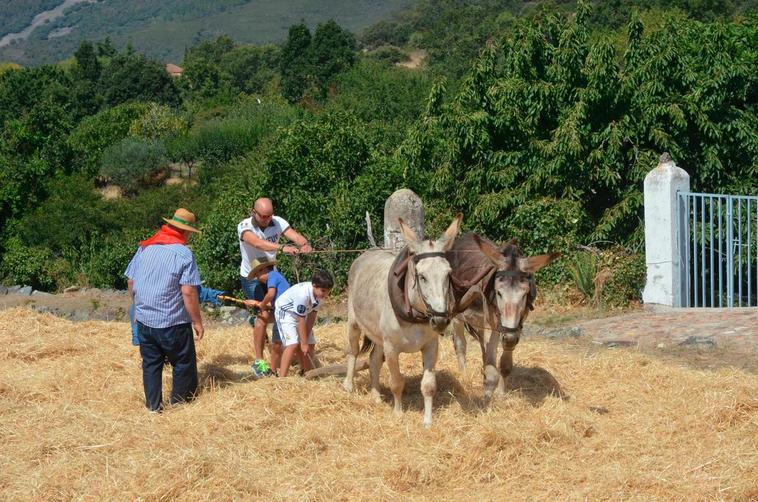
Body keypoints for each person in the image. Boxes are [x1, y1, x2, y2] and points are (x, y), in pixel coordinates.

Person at [125, 208, 204, 412]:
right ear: (185, 232)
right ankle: (178, 405)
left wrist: (137, 309)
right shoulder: (184, 253)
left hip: (145, 319)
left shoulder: (145, 247)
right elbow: (188, 291)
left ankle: (153, 407)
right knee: (182, 363)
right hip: (172, 321)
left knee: (151, 364)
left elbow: (131, 281)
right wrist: (197, 321)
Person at [237, 197, 312, 376]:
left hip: (271, 273)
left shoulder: (277, 222)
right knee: (262, 315)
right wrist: (283, 248)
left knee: (278, 310)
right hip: (252, 276)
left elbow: (294, 235)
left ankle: (276, 357)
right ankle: (259, 361)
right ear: (253, 212)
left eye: (269, 215)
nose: (267, 219)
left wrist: (304, 244)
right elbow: (257, 243)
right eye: (263, 216)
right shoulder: (244, 226)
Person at [274, 269, 333, 377]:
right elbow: (300, 319)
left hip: (303, 313)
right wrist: (303, 342)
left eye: (328, 291)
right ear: (314, 286)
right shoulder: (302, 295)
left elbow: (312, 315)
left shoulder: (320, 296)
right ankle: (282, 378)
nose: (326, 294)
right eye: (323, 290)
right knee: (292, 344)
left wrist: (306, 338)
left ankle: (307, 374)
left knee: (310, 344)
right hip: (287, 312)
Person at [243, 259, 290, 376]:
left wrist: (261, 305)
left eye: (257, 275)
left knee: (277, 342)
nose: (258, 279)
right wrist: (257, 303)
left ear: (263, 270)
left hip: (285, 314)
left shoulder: (272, 276)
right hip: (283, 310)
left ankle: (274, 370)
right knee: (263, 322)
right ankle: (263, 363)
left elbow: (270, 295)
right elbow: (274, 303)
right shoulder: (276, 279)